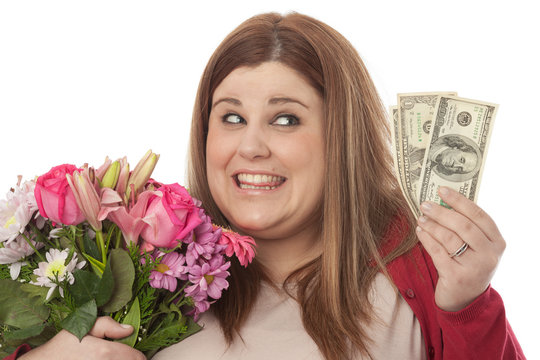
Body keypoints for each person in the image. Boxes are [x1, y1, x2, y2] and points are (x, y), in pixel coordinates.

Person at [8, 11, 524, 360]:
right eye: (231, 118)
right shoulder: (138, 260)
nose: (250, 147)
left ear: (342, 136)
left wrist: (468, 308)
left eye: (285, 120)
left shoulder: (422, 267)